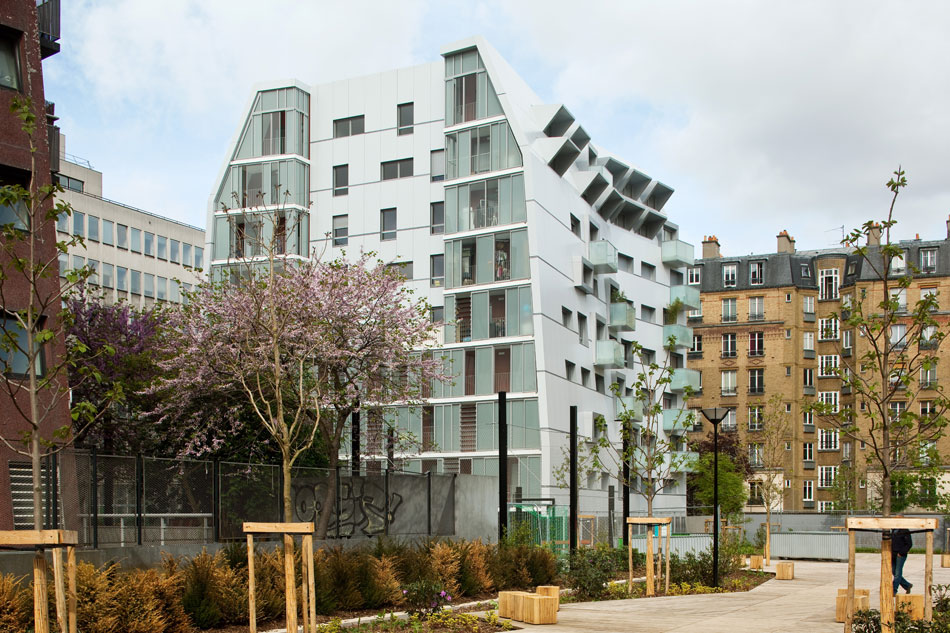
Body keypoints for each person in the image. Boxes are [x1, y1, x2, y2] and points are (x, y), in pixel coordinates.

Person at [891, 528, 913, 595]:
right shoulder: (893, 530)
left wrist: (901, 552)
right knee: (894, 571)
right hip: (893, 554)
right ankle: (907, 585)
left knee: (898, 573)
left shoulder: (905, 531)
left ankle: (893, 590)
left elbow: (909, 544)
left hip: (900, 555)